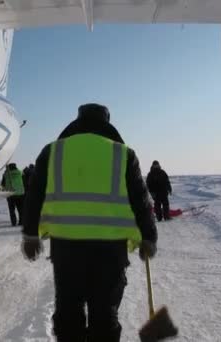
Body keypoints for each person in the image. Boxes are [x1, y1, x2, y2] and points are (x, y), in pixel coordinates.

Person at [21, 103, 158, 342]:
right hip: (110, 250)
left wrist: (31, 234)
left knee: (68, 313)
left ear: (78, 121)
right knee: (104, 315)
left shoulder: (52, 152)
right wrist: (148, 237)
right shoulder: (123, 153)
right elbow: (141, 202)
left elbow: (34, 196)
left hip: (66, 248)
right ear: (106, 122)